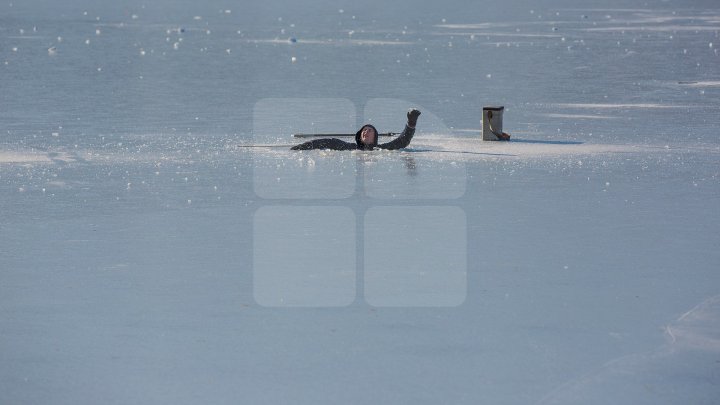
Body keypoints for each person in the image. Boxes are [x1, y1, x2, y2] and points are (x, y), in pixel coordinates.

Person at [291, 109, 421, 151]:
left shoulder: (382, 148)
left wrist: (411, 122)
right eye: (364, 130)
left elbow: (402, 141)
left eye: (370, 130)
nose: (366, 131)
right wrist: (302, 146)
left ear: (375, 136)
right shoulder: (350, 147)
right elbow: (326, 142)